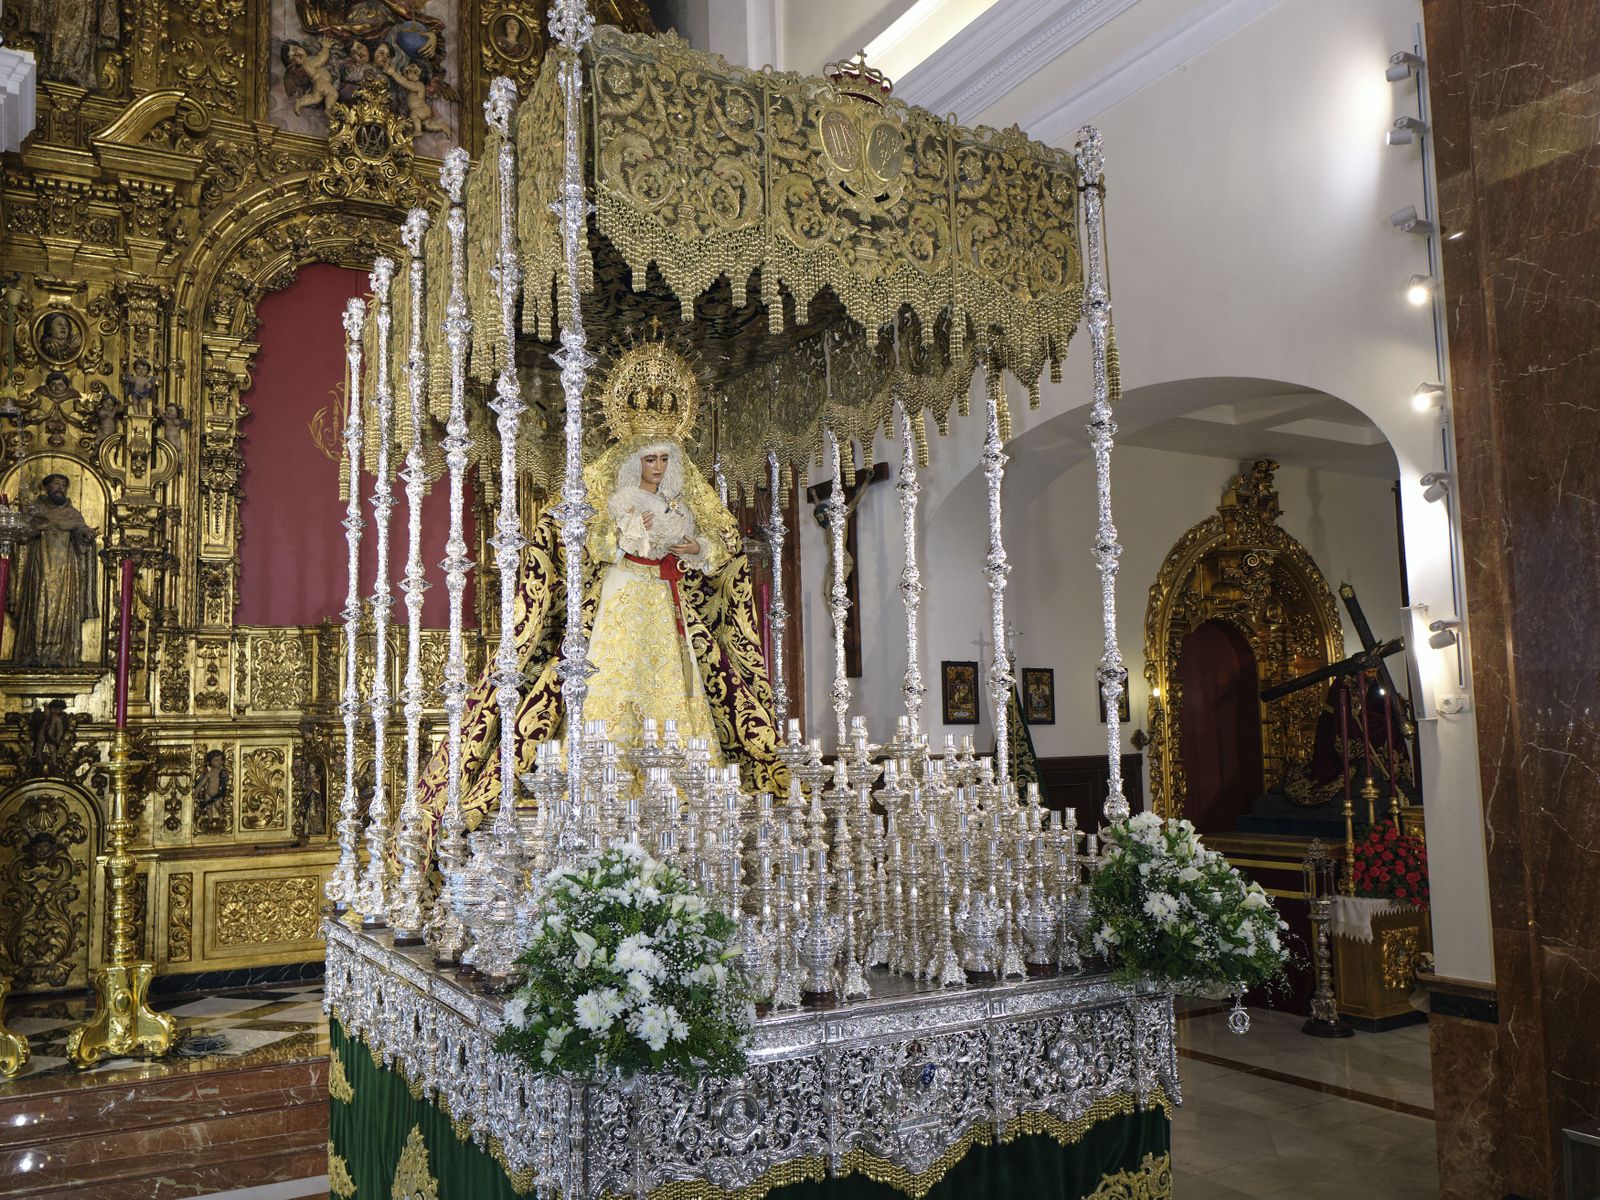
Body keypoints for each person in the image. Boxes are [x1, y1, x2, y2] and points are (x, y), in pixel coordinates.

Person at [414, 342, 786, 834]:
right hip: (622, 594)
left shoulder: (682, 500)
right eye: (650, 459)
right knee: (611, 675)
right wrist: (622, 536)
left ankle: (681, 783)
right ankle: (597, 779)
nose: (658, 467)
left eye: (664, 459)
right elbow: (577, 531)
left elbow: (724, 542)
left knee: (676, 682)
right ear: (635, 461)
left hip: (665, 600)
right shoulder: (615, 492)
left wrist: (694, 547)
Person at [9, 474, 98, 668]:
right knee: (37, 605)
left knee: (63, 608)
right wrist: (34, 527)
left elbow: (81, 531)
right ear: (47, 487)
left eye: (64, 485)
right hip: (40, 565)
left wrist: (86, 534)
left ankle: (60, 655)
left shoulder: (72, 513)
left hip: (65, 570)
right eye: (56, 484)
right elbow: (22, 535)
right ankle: (34, 654)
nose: (60, 488)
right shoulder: (36, 510)